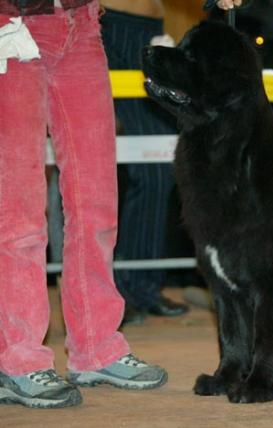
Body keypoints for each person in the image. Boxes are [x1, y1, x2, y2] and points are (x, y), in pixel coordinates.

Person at [0, 0, 167, 409]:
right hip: (12, 26)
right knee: (18, 209)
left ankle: (97, 348)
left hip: (81, 24)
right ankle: (16, 357)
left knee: (96, 201)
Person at [99, 0, 189, 326]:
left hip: (148, 30)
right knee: (92, 167)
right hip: (103, 26)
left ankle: (142, 286)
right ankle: (108, 293)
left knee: (158, 166)